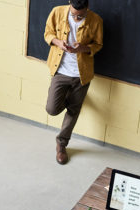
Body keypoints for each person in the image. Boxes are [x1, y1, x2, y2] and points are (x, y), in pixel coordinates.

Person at [44, 0, 103, 165]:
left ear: (88, 8)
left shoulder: (96, 20)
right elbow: (48, 33)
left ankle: (61, 144)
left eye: (81, 15)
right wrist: (58, 42)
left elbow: (98, 45)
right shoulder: (57, 12)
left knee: (73, 110)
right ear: (69, 3)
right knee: (52, 108)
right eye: (74, 14)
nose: (77, 18)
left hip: (81, 74)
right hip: (60, 70)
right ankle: (74, 101)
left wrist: (82, 48)